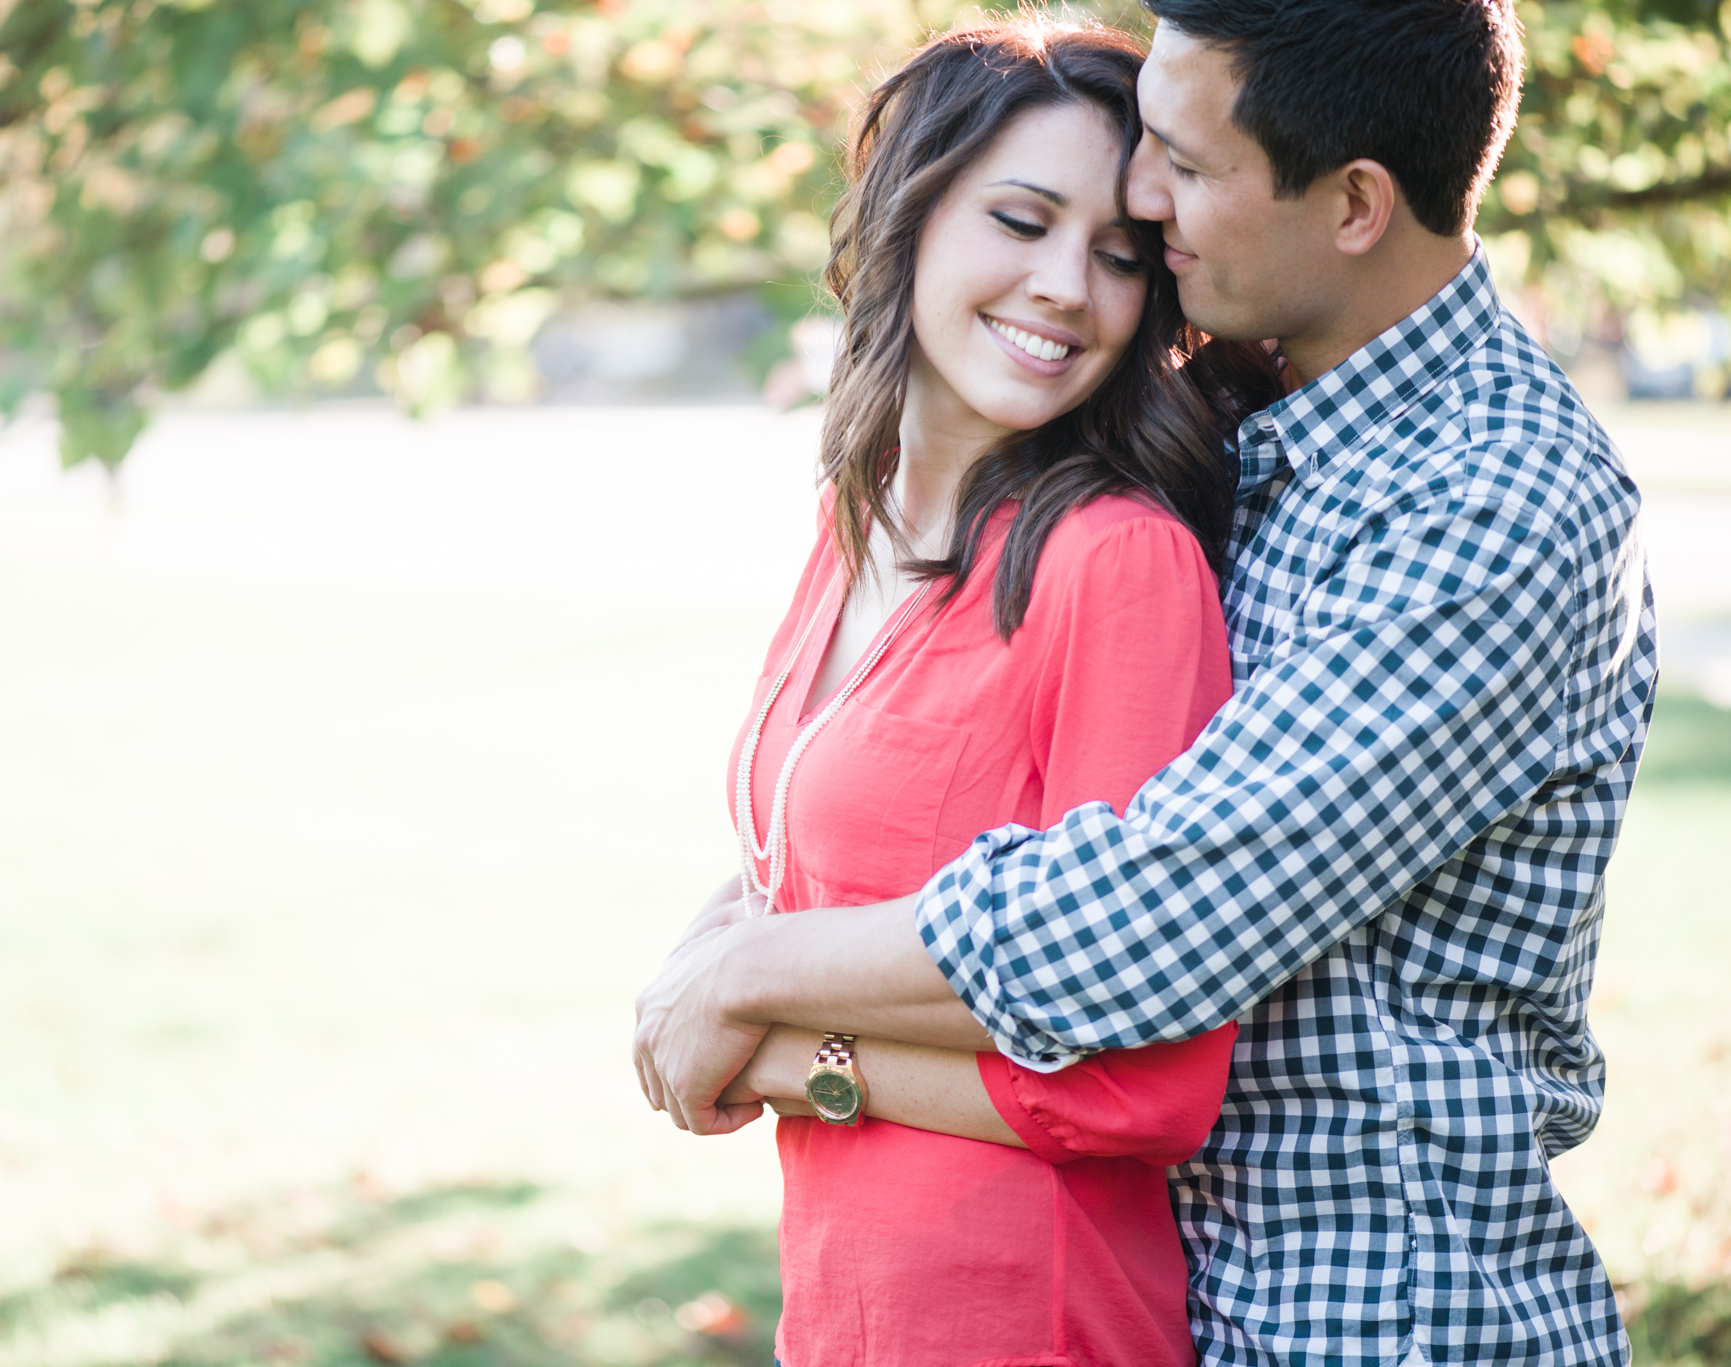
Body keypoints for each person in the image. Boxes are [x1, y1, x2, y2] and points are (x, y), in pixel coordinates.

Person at [635, 1, 1658, 1364]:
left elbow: (1157, 908)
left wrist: (751, 992)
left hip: (1382, 1327)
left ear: (1354, 203)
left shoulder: (1485, 499)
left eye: (1181, 164)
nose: (1142, 192)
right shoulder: (1268, 441)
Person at [648, 14, 1285, 1367]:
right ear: (911, 217)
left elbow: (1147, 1083)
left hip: (1034, 1323)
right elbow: (819, 876)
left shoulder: (1117, 564)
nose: (1069, 286)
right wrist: (713, 968)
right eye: (1022, 219)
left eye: (1120, 255)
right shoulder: (851, 531)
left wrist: (770, 1050)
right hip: (848, 1321)